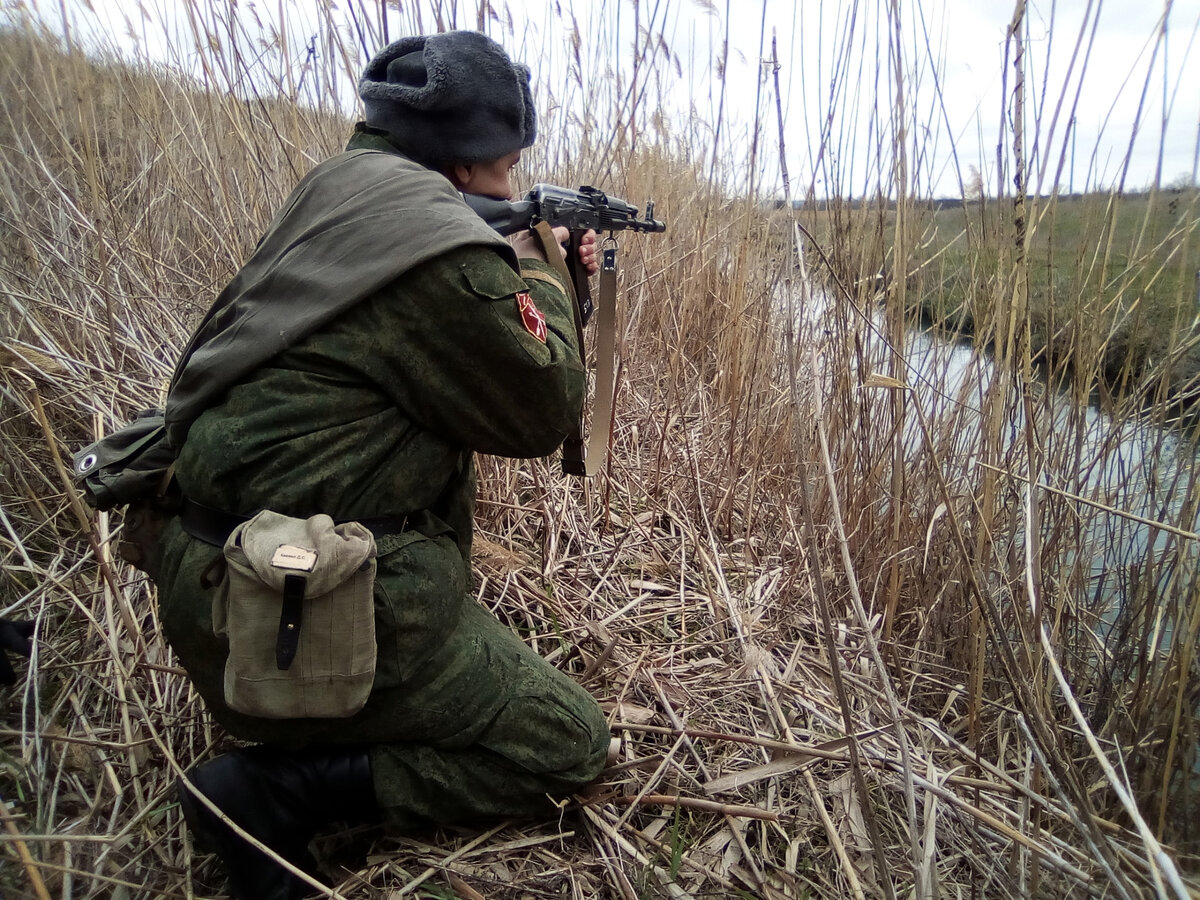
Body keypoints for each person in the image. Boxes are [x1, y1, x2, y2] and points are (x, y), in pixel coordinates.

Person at [154, 31, 610, 900]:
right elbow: (542, 412)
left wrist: (537, 277)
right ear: (467, 164)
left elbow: (457, 359)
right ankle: (274, 795)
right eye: (509, 162)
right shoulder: (443, 252)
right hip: (291, 613)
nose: (514, 177)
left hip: (218, 579)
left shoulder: (340, 190)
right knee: (566, 743)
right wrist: (543, 274)